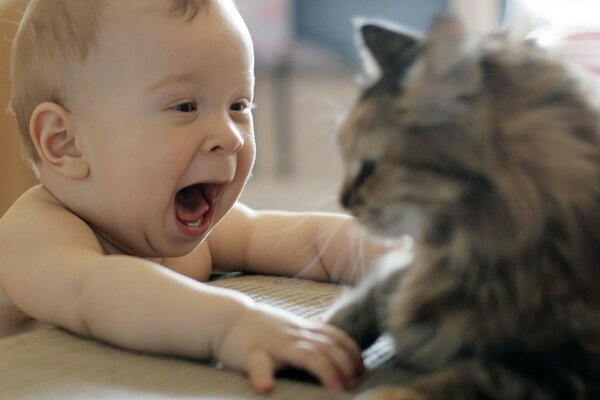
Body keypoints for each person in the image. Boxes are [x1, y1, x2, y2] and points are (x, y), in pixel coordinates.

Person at [0, 0, 406, 393]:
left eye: (238, 105)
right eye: (185, 106)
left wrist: (399, 260)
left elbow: (306, 240)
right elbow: (101, 292)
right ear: (65, 142)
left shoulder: (189, 230)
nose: (229, 136)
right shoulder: (35, 235)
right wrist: (232, 325)